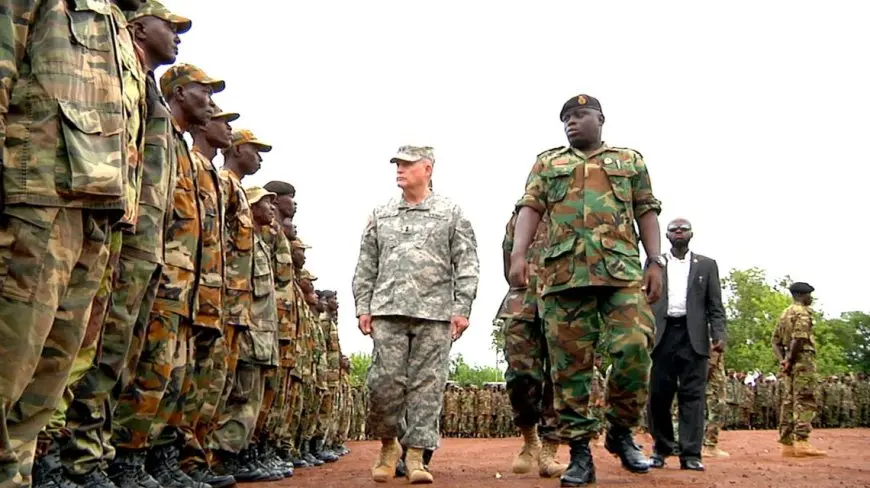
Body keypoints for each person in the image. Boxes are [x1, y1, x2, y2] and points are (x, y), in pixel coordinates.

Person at [0, 1, 144, 485]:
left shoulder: (116, 20)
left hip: (96, 204)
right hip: (37, 190)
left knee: (51, 369)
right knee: (11, 356)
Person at [509, 94, 663, 487]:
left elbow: (645, 208)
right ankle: (579, 452)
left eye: (580, 116)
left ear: (600, 119)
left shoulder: (629, 160)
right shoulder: (549, 162)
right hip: (563, 275)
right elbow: (531, 207)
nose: (572, 123)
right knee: (568, 370)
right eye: (566, 119)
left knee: (634, 346)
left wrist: (655, 260)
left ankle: (620, 431)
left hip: (621, 271)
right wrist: (519, 254)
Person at [111, 63, 221, 488]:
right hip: (153, 271)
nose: (209, 104)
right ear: (177, 93)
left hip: (183, 283)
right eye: (203, 93)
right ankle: (119, 459)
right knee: (139, 369)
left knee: (172, 376)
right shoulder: (159, 129)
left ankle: (154, 457)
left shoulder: (182, 151)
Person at [352, 145, 479, 484]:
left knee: (427, 387)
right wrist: (363, 306)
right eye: (397, 164)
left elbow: (466, 263)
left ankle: (417, 456)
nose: (400, 170)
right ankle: (388, 445)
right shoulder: (382, 213)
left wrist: (461, 308)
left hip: (435, 314)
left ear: (428, 168)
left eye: (407, 164)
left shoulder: (451, 212)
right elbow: (366, 263)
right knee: (383, 384)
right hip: (388, 310)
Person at [646, 218, 726, 472]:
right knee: (658, 395)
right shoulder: (654, 263)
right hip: (662, 335)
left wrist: (719, 334)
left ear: (692, 234)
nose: (678, 232)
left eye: (683, 229)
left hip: (694, 338)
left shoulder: (707, 265)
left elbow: (715, 305)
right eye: (673, 229)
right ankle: (661, 448)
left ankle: (691, 454)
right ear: (667, 236)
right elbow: (642, 299)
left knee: (693, 396)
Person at [496, 209, 564, 478]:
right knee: (519, 376)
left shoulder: (575, 208)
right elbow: (508, 258)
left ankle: (549, 450)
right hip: (522, 303)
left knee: (560, 377)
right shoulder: (520, 215)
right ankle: (529, 438)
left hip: (564, 303)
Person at [772, 282, 826, 458]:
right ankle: (802, 441)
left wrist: (783, 362)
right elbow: (799, 338)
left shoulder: (784, 314)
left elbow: (775, 341)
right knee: (806, 398)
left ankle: (787, 444)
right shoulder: (802, 313)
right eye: (810, 295)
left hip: (790, 362)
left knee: (789, 400)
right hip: (802, 360)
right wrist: (789, 359)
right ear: (804, 295)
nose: (811, 298)